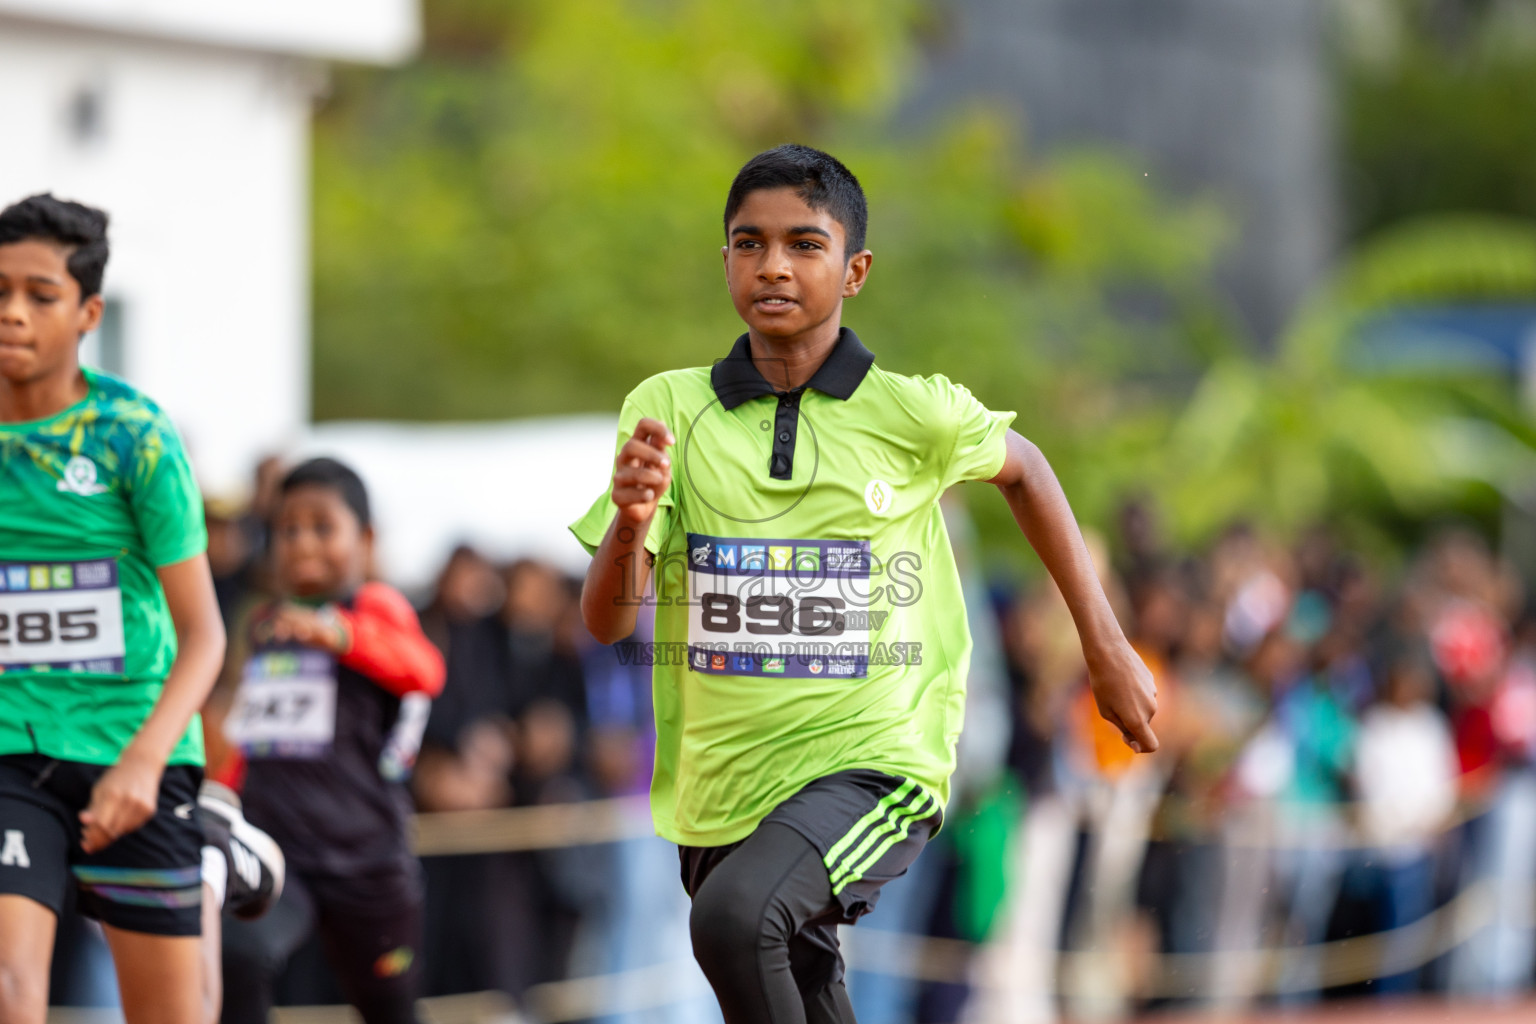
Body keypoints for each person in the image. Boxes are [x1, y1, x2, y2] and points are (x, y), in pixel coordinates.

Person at [570, 145, 1158, 1024]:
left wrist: (1106, 648)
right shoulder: (670, 407)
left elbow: (1027, 469)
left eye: (804, 244)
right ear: (724, 259)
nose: (773, 265)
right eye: (748, 243)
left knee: (737, 924)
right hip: (723, 786)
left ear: (856, 271)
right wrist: (629, 520)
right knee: (794, 985)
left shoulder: (911, 412)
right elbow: (610, 623)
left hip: (873, 766)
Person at [0, 193, 281, 1024]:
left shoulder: (135, 436)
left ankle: (209, 847)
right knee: (10, 991)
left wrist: (144, 762)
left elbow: (204, 636)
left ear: (87, 312)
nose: (11, 312)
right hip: (12, 748)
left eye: (39, 295)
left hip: (137, 748)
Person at [220, 457, 445, 1024]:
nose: (301, 544)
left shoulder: (375, 608)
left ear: (365, 539)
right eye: (287, 529)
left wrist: (340, 634)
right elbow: (252, 731)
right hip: (279, 850)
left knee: (389, 1010)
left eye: (322, 527)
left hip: (366, 861)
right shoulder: (267, 625)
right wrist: (221, 794)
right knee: (238, 953)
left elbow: (426, 670)